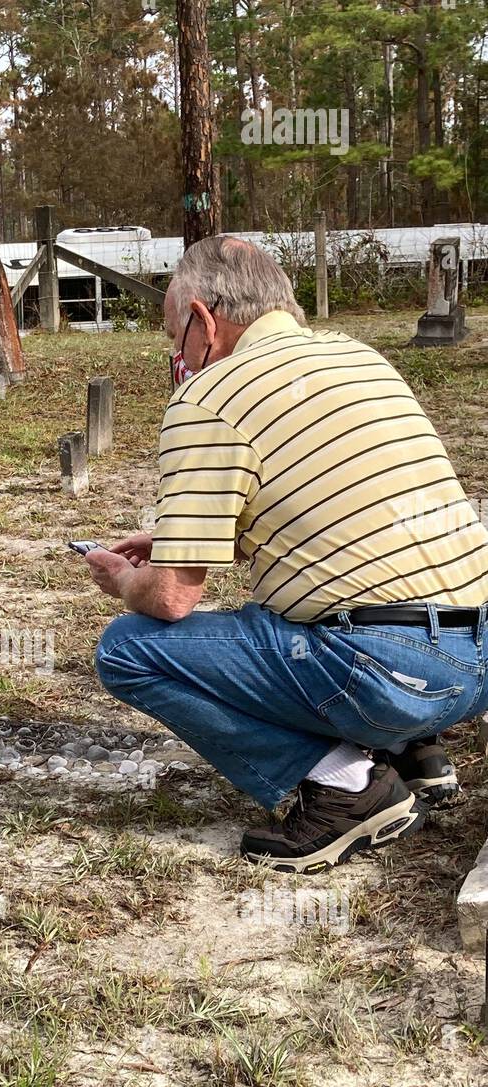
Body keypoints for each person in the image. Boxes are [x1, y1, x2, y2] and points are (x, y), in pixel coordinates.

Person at [88, 235, 488, 872]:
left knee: (129, 649)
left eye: (175, 339)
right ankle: (417, 752)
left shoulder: (210, 396)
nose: (178, 356)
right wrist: (173, 543)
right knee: (347, 591)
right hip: (476, 661)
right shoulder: (364, 360)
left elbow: (171, 598)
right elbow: (327, 515)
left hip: (383, 671)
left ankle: (347, 786)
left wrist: (127, 581)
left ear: (202, 320)